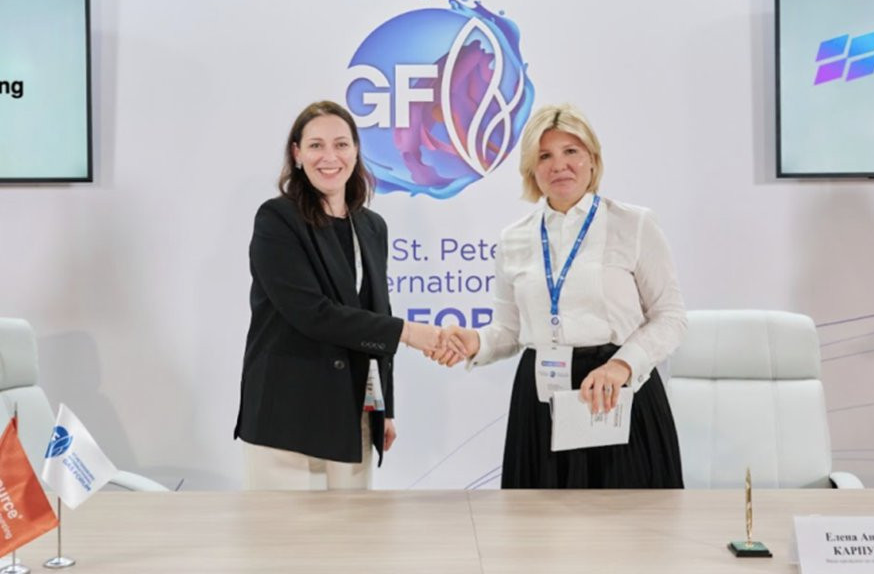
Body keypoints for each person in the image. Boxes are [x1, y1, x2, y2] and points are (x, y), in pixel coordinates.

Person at [435, 104, 687, 489]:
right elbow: (509, 331)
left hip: (619, 392)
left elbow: (670, 317)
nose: (559, 165)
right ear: (531, 169)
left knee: (631, 521)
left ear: (592, 159)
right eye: (544, 156)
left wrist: (623, 365)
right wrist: (477, 342)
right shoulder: (514, 238)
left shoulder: (634, 224)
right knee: (540, 523)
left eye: (571, 151)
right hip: (541, 397)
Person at [234, 100, 445, 490]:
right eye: (315, 145)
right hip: (287, 419)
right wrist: (410, 333)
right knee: (281, 529)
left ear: (356, 151)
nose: (329, 157)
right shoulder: (277, 219)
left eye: (341, 144)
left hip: (353, 417)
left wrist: (383, 409)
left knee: (353, 529)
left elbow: (376, 312)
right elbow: (313, 314)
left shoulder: (371, 226)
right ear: (297, 154)